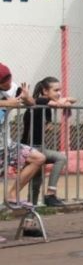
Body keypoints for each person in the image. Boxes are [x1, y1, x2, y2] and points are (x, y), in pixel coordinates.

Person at [20, 77, 75, 207]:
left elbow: (72, 100)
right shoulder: (41, 100)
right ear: (45, 91)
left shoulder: (46, 104)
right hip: (31, 148)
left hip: (38, 147)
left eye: (60, 90)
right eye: (56, 90)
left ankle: (30, 216)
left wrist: (65, 100)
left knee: (36, 182)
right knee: (60, 158)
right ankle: (50, 194)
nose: (59, 93)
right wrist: (63, 102)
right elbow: (59, 103)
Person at [0, 63, 46, 211]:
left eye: (9, 79)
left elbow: (31, 103)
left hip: (6, 146)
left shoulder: (13, 87)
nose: (8, 84)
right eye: (3, 82)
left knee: (38, 158)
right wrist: (6, 103)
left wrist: (27, 98)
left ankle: (12, 195)